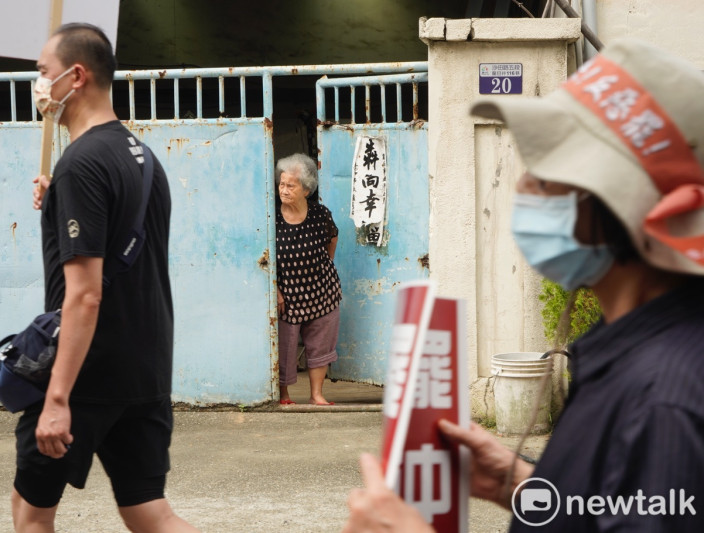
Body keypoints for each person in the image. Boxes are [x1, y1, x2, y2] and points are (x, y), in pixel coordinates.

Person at [342, 38, 704, 532]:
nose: (521, 189)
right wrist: (522, 484)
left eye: (547, 175)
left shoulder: (665, 401)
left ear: (615, 205)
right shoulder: (633, 353)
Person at [16, 23, 198, 532]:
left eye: (43, 73)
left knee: (30, 513)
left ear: (76, 76)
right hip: (146, 368)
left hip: (87, 374)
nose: (38, 85)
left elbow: (87, 294)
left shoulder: (82, 165)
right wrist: (59, 197)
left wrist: (56, 397)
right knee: (148, 510)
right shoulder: (143, 160)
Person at [275, 153, 342, 405]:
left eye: (290, 185)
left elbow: (332, 239)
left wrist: (322, 269)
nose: (284, 189)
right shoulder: (271, 218)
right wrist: (276, 292)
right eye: (282, 184)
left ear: (306, 189)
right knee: (285, 346)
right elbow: (265, 258)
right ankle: (283, 395)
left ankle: (317, 395)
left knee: (320, 345)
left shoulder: (319, 214)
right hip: (286, 296)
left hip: (322, 292)